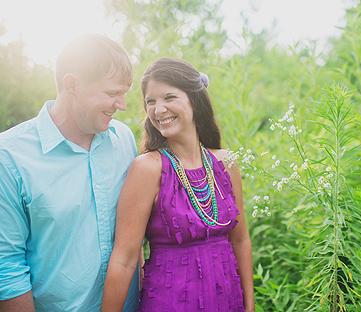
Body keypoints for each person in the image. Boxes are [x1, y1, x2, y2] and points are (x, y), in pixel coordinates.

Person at [101, 57, 255, 312]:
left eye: (169, 97)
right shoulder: (147, 168)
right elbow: (125, 260)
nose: (158, 110)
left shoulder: (227, 163)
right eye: (151, 101)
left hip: (228, 300)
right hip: (170, 302)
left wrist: (249, 306)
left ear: (195, 99)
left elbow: (240, 241)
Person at [0, 34, 140, 312]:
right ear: (72, 85)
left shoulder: (124, 139)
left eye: (124, 94)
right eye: (112, 94)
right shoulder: (9, 155)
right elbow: (7, 266)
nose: (121, 105)